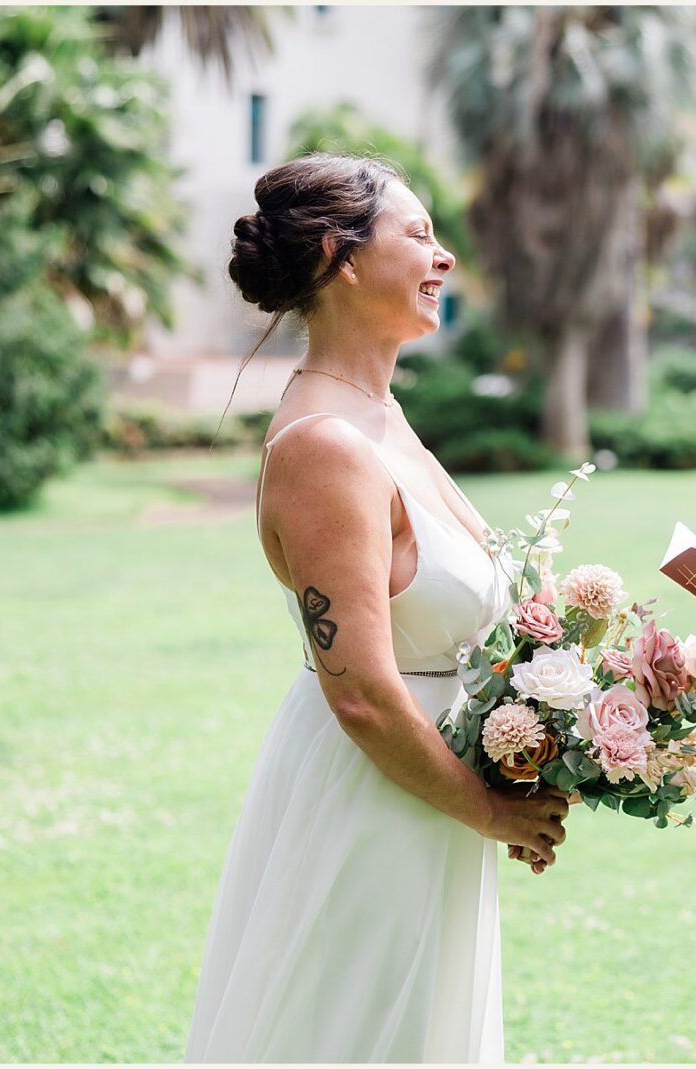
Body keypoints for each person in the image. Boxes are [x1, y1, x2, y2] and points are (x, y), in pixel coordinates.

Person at [185, 154, 568, 1063]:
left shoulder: (380, 414)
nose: (443, 259)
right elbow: (356, 688)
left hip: (432, 793)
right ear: (341, 256)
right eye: (419, 236)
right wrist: (488, 808)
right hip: (377, 795)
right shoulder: (325, 444)